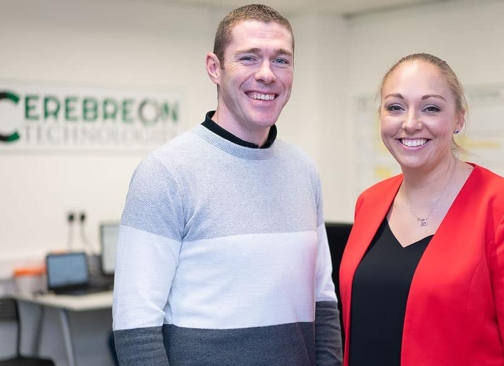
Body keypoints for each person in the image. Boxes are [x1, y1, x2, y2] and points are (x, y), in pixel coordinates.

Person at [111, 4, 342, 366]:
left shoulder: (303, 170)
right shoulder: (165, 173)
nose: (267, 74)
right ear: (214, 68)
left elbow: (323, 301)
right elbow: (136, 328)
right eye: (249, 58)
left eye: (281, 60)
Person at [338, 53, 504, 365]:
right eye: (395, 107)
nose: (411, 123)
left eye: (431, 108)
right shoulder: (369, 203)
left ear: (459, 119)